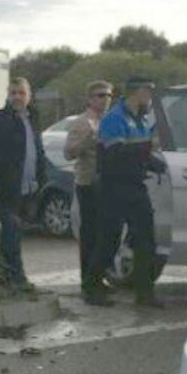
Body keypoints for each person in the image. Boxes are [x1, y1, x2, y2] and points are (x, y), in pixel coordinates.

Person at [86, 76, 167, 308]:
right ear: (137, 91)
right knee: (109, 240)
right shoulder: (115, 118)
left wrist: (159, 165)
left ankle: (145, 293)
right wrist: (147, 148)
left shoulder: (140, 119)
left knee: (145, 239)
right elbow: (116, 154)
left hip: (135, 185)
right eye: (149, 91)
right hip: (113, 186)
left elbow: (141, 154)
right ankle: (92, 287)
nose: (151, 96)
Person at [0, 77, 47, 292]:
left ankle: (6, 277)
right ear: (7, 95)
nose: (17, 97)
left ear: (29, 95)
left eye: (21, 93)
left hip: (29, 188)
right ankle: (18, 278)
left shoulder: (33, 119)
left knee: (14, 234)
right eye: (13, 92)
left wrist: (42, 178)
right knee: (11, 231)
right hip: (5, 188)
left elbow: (37, 150)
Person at [64, 80, 114, 304]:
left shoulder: (112, 120)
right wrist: (88, 139)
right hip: (88, 184)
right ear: (89, 99)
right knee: (91, 234)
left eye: (108, 95)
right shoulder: (81, 123)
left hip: (109, 185)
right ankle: (89, 282)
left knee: (108, 234)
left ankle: (100, 276)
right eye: (99, 95)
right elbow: (69, 153)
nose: (104, 99)